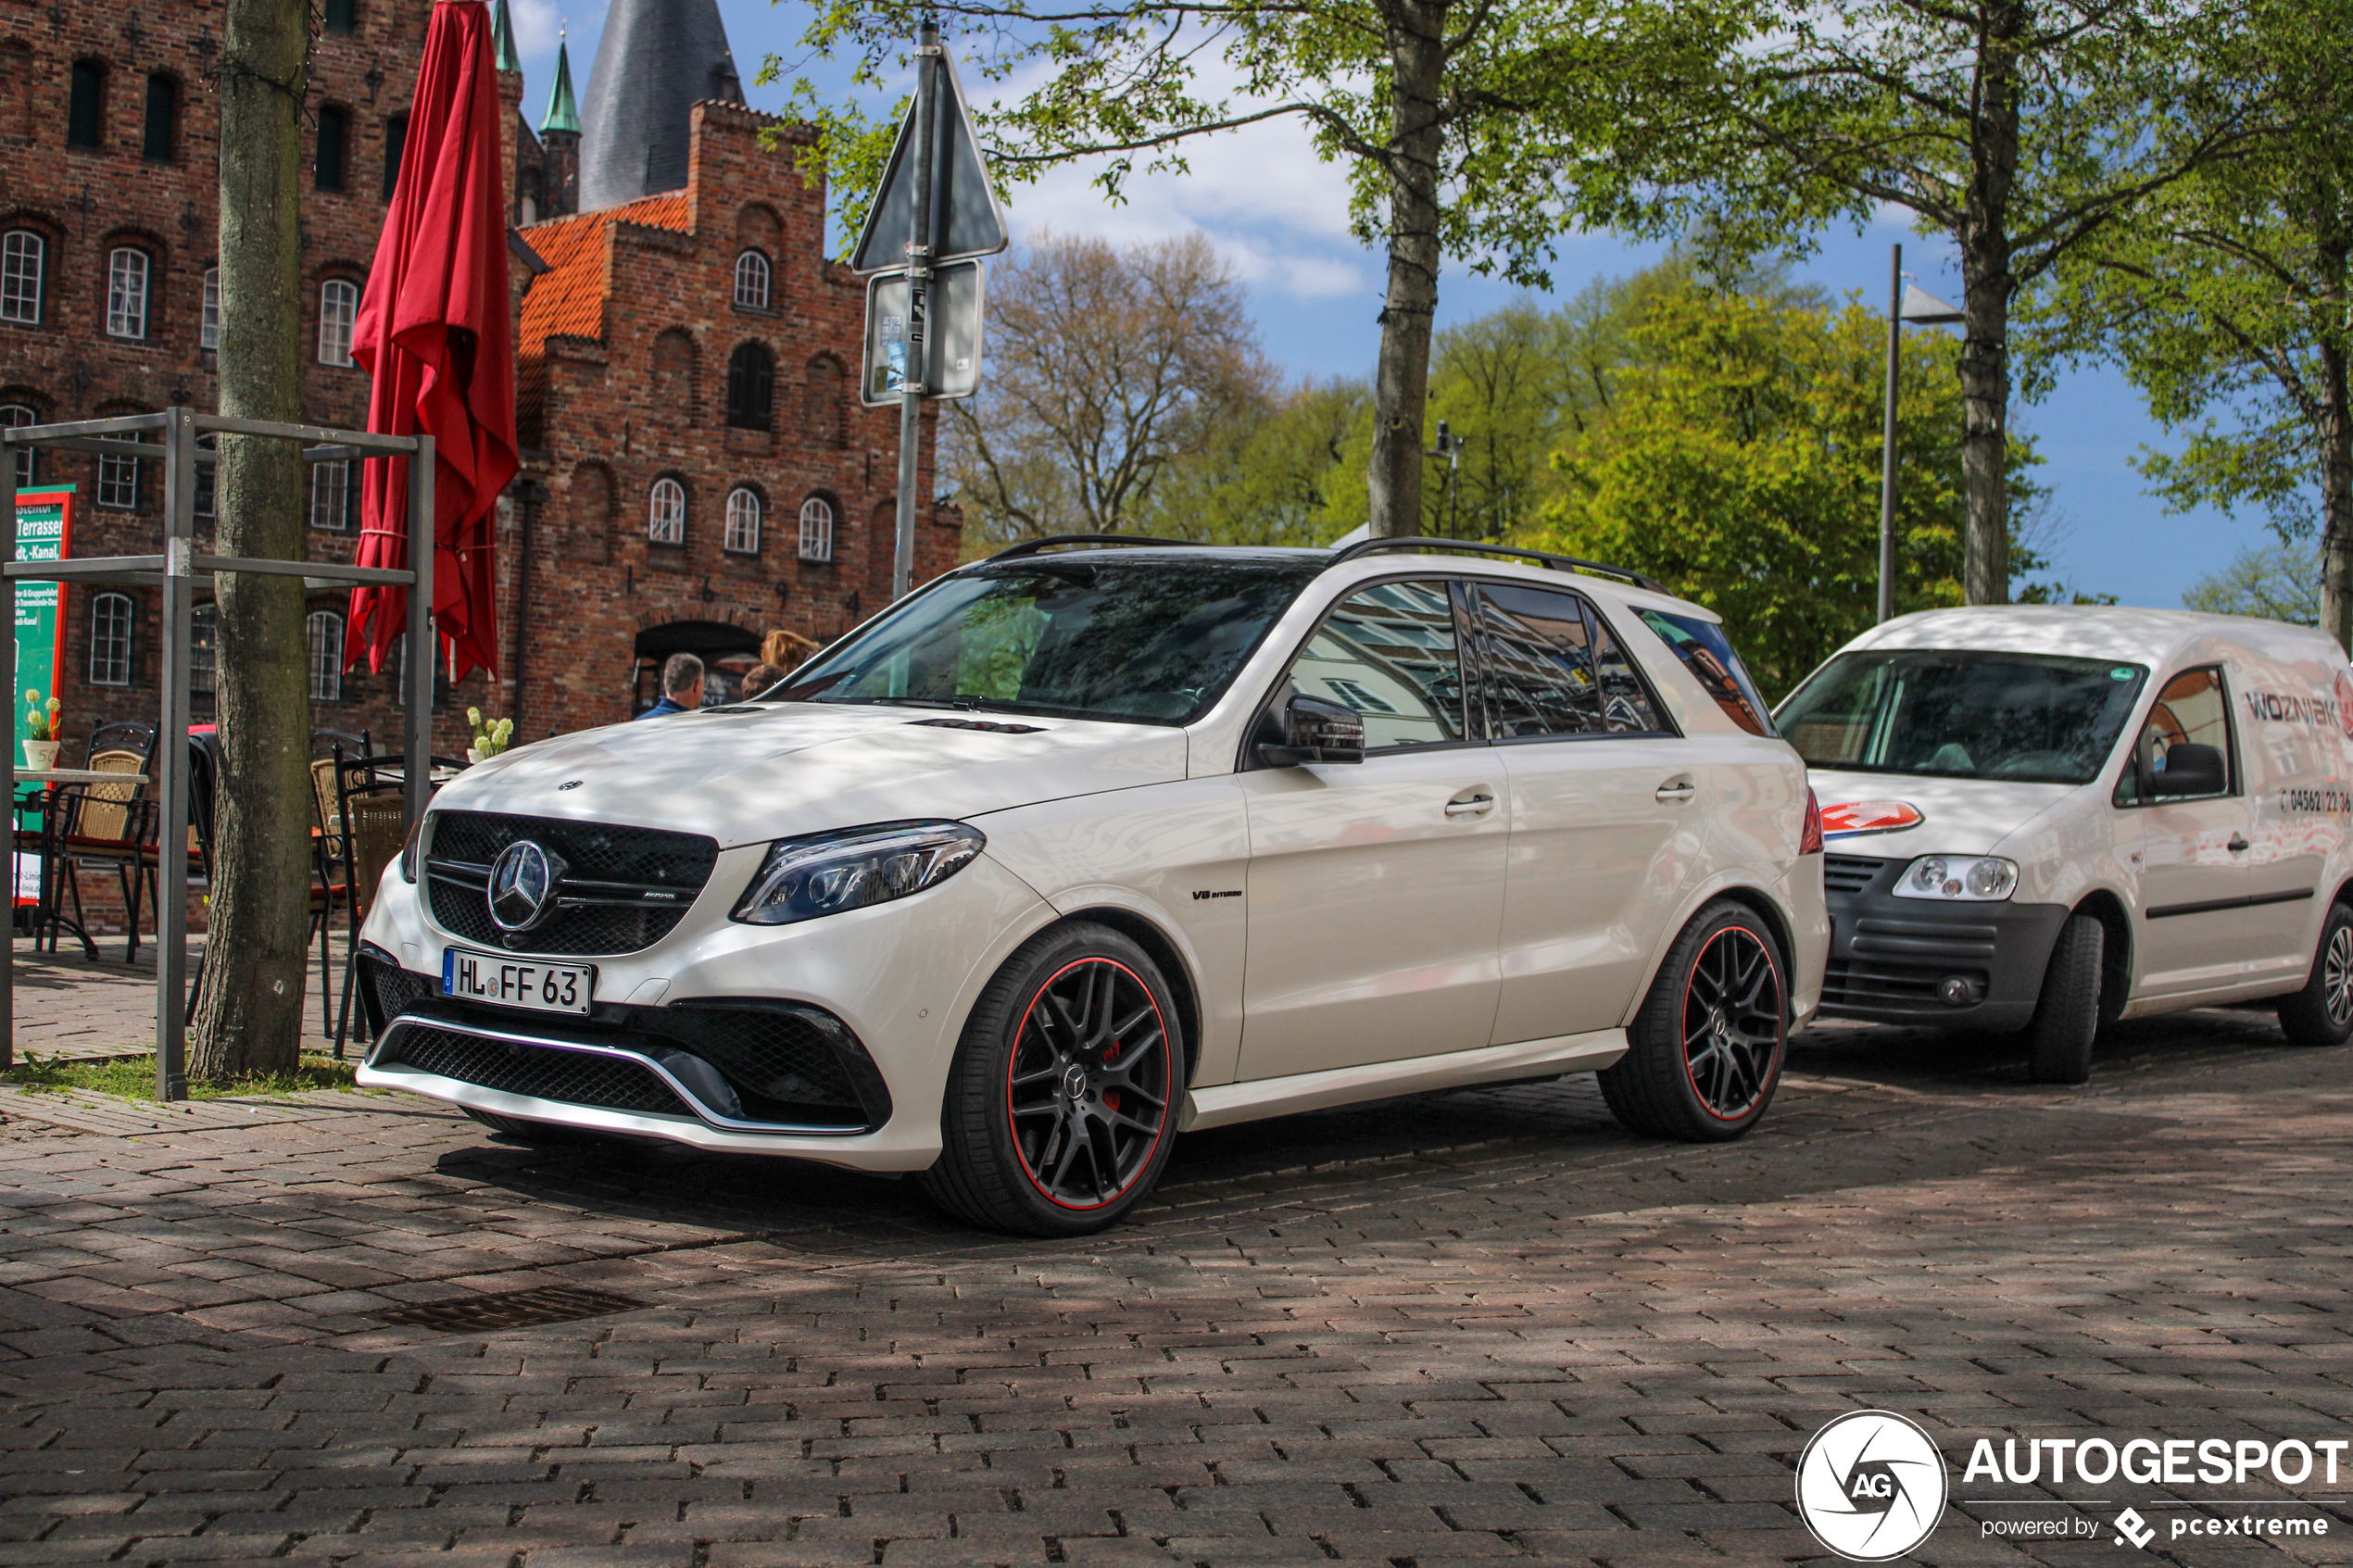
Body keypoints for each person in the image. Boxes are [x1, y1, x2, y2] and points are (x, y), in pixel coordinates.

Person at [635, 652, 704, 720]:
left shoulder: (640, 723)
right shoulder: (698, 727)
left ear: (664, 682)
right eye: (703, 684)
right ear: (696, 686)